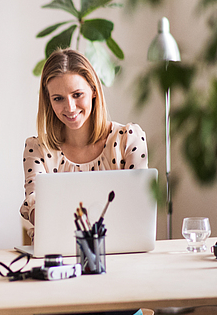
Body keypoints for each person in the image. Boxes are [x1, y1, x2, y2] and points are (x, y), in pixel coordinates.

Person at [20, 48, 148, 238]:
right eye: (58, 99)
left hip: (120, 252)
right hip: (57, 256)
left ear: (94, 91)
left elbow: (138, 206)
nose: (70, 107)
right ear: (49, 101)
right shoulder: (37, 149)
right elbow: (35, 202)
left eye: (77, 94)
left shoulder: (128, 139)